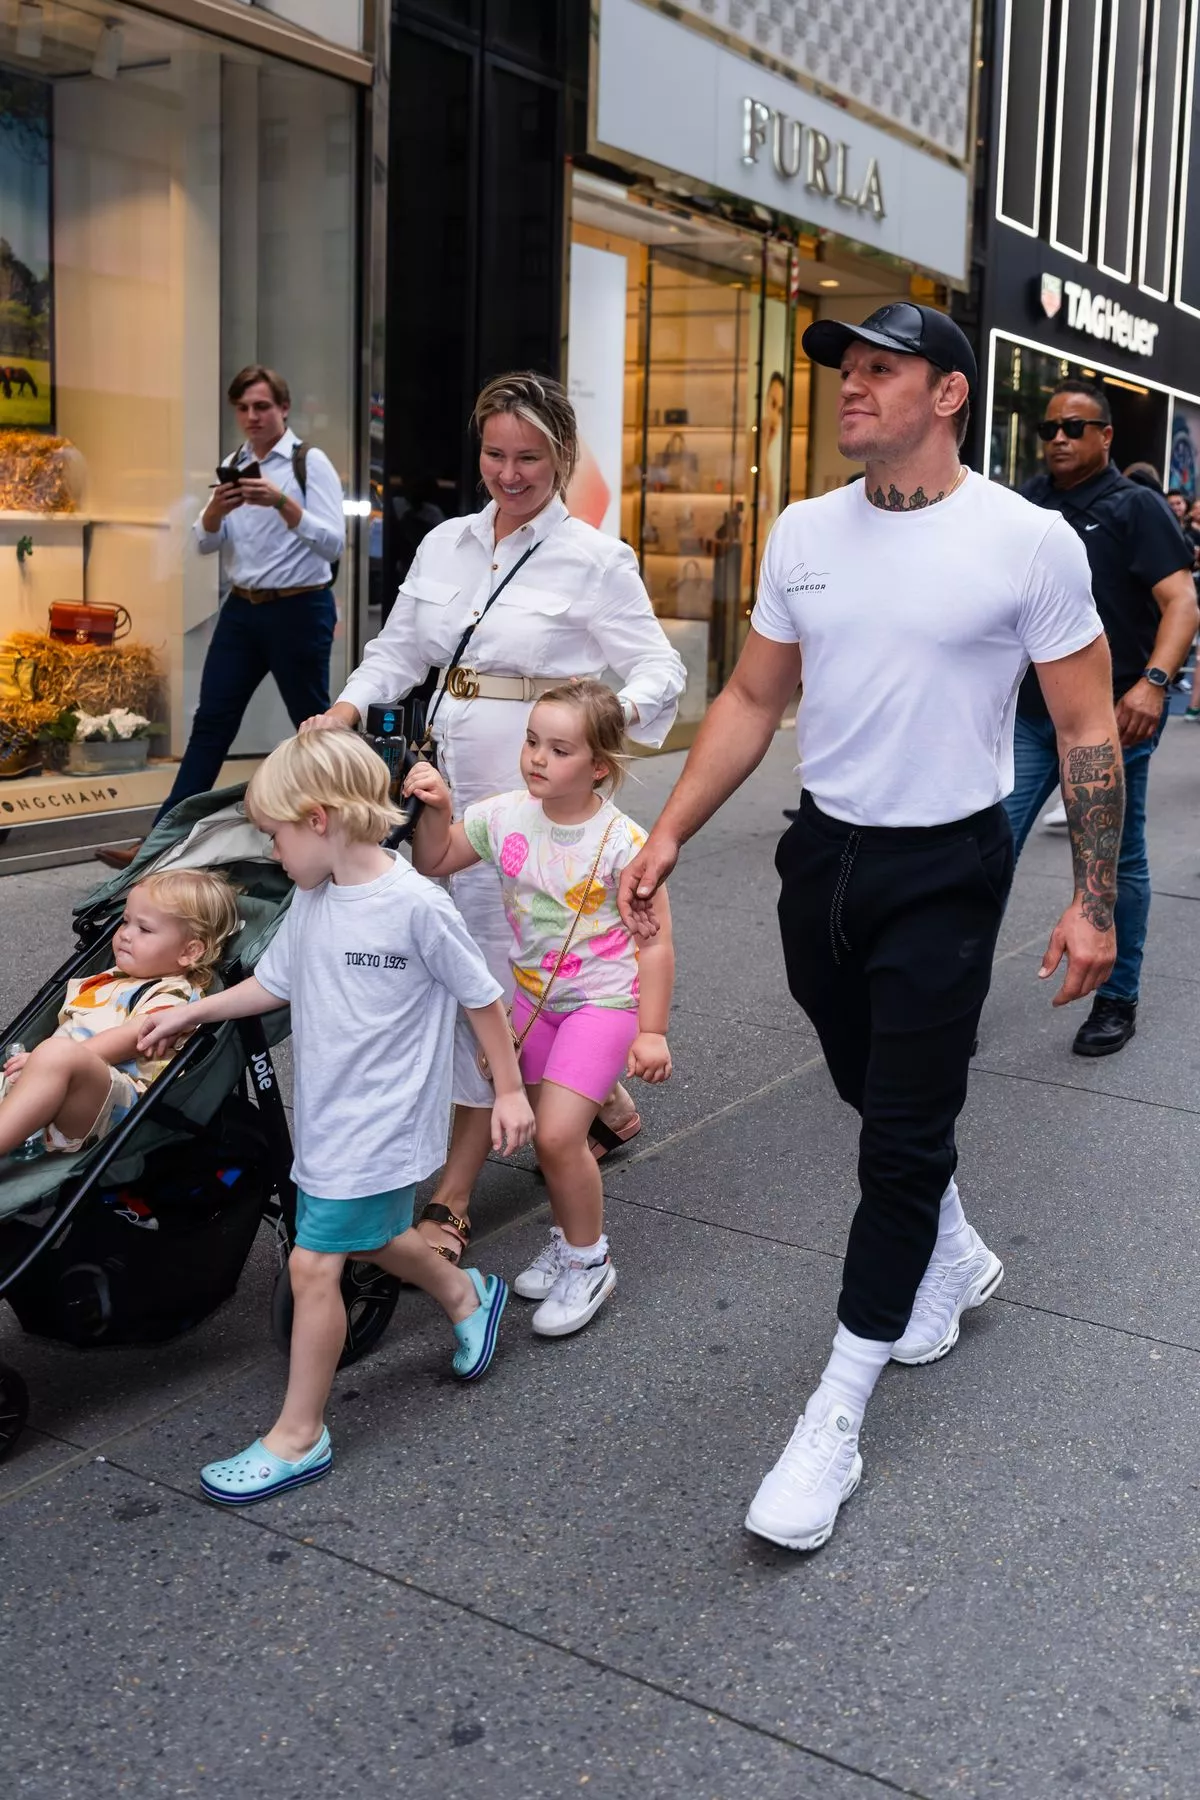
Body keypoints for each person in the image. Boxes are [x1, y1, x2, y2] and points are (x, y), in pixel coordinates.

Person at [616, 301, 1119, 1554]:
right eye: (846, 368)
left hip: (948, 867)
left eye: (880, 368)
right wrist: (667, 831)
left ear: (947, 394)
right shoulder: (804, 530)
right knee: (866, 1085)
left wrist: (1094, 899)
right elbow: (751, 696)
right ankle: (952, 1247)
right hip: (823, 859)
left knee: (899, 1137)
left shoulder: (1029, 541)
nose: (851, 385)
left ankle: (835, 1413)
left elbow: (1086, 727)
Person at [303, 371, 685, 1264]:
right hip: (446, 785)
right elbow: (399, 650)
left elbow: (660, 671)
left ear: (562, 456)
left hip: (537, 802)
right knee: (477, 961)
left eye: (530, 458)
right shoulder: (446, 543)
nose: (509, 474)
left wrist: (599, 726)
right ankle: (597, 1097)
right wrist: (346, 710)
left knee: (483, 975)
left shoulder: (595, 559)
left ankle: (453, 1193)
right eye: (495, 454)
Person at [137, 730, 534, 1506]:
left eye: (275, 834)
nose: (272, 851)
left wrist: (511, 1090)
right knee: (375, 1236)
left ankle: (299, 1436)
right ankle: (468, 1297)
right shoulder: (314, 899)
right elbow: (275, 983)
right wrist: (194, 1012)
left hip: (382, 1123)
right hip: (328, 1111)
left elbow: (482, 995)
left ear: (318, 820)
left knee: (314, 1263)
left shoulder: (415, 905)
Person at [405, 681, 674, 1337]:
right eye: (531, 741)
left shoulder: (623, 842)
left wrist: (653, 1031)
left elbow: (656, 942)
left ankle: (589, 1262)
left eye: (559, 749)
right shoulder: (502, 816)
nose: (536, 758)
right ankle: (568, 1238)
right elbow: (434, 859)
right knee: (558, 1142)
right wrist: (438, 806)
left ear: (599, 766)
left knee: (556, 1135)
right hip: (533, 1003)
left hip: (603, 1003)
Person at [1003, 380, 1198, 1055]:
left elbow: (1182, 603)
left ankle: (1117, 998)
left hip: (1115, 718)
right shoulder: (1026, 502)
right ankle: (950, 998)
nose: (1058, 438)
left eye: (1074, 427)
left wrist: (1153, 685)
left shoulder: (1135, 505)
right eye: (1049, 428)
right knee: (987, 846)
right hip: (1030, 713)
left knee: (1114, 860)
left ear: (1106, 436)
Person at [97, 365, 345, 871]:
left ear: (283, 409)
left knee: (314, 726)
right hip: (242, 609)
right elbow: (206, 540)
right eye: (243, 408)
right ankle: (159, 845)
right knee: (211, 724)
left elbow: (333, 542)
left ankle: (345, 834)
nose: (252, 416)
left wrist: (281, 502)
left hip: (299, 607)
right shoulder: (234, 463)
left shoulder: (308, 462)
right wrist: (215, 509)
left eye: (262, 406)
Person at [0, 871, 239, 1157]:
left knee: (57, 1053)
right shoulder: (114, 979)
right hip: (50, 1087)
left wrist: (47, 1060)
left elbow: (136, 1035)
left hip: (107, 1106)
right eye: (125, 921)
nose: (125, 933)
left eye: (144, 929)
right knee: (51, 1056)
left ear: (189, 952)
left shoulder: (174, 994)